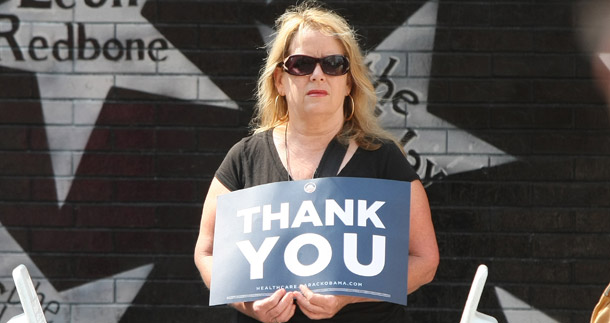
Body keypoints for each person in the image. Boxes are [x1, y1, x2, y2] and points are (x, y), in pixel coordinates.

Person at [194, 1, 439, 322]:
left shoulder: (383, 159)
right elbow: (207, 252)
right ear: (279, 80)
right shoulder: (244, 157)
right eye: (301, 64)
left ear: (349, 82)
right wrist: (248, 306)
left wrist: (347, 295)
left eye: (334, 64)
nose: (318, 75)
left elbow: (424, 260)